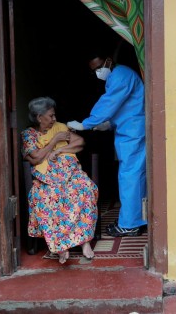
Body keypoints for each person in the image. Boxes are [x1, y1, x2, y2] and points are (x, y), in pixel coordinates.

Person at [67, 54, 147, 237]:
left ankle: (130, 225)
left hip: (133, 133)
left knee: (131, 178)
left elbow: (110, 101)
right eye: (94, 70)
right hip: (130, 132)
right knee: (135, 177)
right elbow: (126, 107)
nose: (98, 72)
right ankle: (137, 219)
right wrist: (108, 124)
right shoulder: (119, 76)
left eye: (99, 67)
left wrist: (86, 123)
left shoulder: (120, 75)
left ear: (109, 61)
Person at [21, 97, 98, 264]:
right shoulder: (29, 135)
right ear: (39, 117)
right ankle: (60, 246)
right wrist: (54, 141)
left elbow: (80, 142)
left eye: (54, 115)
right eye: (51, 116)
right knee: (45, 197)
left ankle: (84, 242)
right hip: (46, 177)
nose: (54, 119)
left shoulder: (60, 127)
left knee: (86, 188)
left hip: (70, 172)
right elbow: (36, 157)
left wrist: (59, 150)